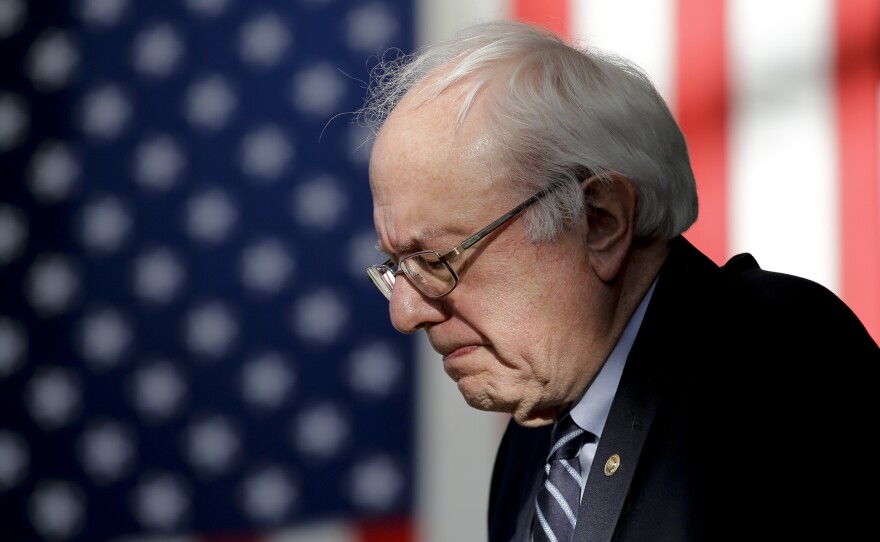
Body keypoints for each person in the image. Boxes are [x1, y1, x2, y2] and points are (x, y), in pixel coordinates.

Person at [358, 19, 879, 542]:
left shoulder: (775, 355)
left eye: (434, 258)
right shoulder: (532, 443)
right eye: (397, 268)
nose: (404, 313)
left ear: (601, 220)